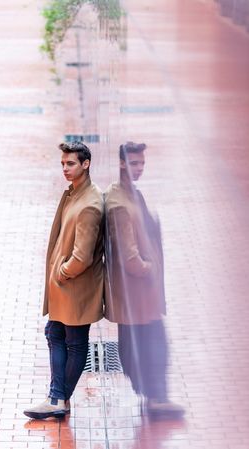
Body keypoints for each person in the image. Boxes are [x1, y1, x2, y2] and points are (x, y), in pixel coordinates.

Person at [24, 141, 104, 420]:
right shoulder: (73, 194)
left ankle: (58, 398)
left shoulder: (89, 204)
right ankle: (57, 398)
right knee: (54, 334)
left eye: (70, 164)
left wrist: (63, 271)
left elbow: (82, 257)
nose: (65, 169)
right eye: (63, 164)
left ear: (86, 164)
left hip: (75, 287)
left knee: (75, 341)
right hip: (64, 287)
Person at [104, 141, 184, 419]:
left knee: (148, 346)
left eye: (142, 164)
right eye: (134, 163)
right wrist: (149, 268)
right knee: (155, 346)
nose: (139, 169)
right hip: (139, 295)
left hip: (142, 296)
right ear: (122, 164)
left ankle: (154, 398)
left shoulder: (131, 195)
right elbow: (129, 257)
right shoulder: (121, 204)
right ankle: (156, 400)